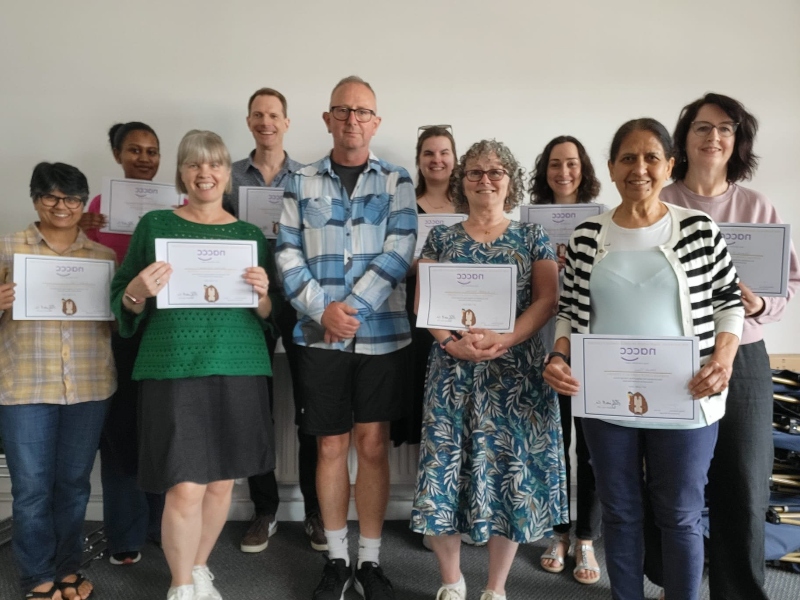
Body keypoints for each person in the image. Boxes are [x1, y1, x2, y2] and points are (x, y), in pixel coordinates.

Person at [543, 118, 745, 600]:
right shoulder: (588, 236)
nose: (640, 168)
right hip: (606, 398)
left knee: (679, 513)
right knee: (619, 511)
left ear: (670, 165)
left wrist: (724, 359)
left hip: (688, 395)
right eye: (628, 158)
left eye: (652, 157)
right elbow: (569, 312)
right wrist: (557, 356)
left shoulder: (698, 229)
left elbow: (728, 303)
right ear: (611, 168)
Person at [111, 130, 279, 600]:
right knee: (185, 486)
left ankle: (201, 567)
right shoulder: (155, 225)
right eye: (193, 165)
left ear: (228, 174)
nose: (204, 174)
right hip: (174, 365)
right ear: (181, 172)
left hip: (239, 363)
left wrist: (264, 296)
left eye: (214, 165)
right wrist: (136, 292)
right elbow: (123, 296)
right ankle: (180, 584)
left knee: (223, 482)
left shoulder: (248, 235)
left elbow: (266, 317)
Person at [276, 75, 417, 600]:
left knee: (373, 445)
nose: (352, 119)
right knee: (330, 446)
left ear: (375, 122)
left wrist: (349, 310)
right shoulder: (299, 180)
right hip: (318, 339)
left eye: (362, 112)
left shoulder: (397, 180)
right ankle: (337, 559)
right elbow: (286, 252)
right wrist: (321, 310)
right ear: (327, 119)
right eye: (342, 110)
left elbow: (400, 249)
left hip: (382, 337)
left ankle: (371, 562)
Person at [410, 139, 567, 600]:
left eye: (496, 172)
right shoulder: (440, 236)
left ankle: (496, 588)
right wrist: (450, 343)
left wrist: (507, 338)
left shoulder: (532, 236)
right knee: (444, 474)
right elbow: (425, 301)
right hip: (452, 373)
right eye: (475, 172)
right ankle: (452, 581)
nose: (485, 180)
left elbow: (547, 300)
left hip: (515, 375)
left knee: (510, 477)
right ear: (462, 181)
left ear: (510, 182)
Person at [659, 93, 800, 600]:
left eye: (726, 128)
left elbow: (788, 284)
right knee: (674, 481)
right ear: (685, 136)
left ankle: (738, 592)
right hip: (674, 352)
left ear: (737, 140)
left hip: (745, 355)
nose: (713, 136)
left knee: (744, 478)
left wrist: (759, 305)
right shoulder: (661, 200)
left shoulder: (756, 206)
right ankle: (675, 585)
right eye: (702, 127)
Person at [0, 162, 116, 600]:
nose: (61, 206)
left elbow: (117, 322)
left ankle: (67, 569)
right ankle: (37, 578)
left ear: (83, 204)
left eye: (71, 198)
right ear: (34, 199)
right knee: (30, 490)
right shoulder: (8, 247)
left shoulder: (103, 258)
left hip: (88, 385)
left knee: (73, 485)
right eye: (50, 196)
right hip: (25, 387)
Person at [223, 87, 326, 555]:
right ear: (249, 122)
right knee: (254, 406)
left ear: (287, 122)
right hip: (246, 303)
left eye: (274, 115)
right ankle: (264, 510)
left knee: (311, 407)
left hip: (299, 299)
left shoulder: (307, 178)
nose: (266, 122)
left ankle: (316, 515)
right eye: (258, 115)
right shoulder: (228, 179)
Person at [81, 122, 165, 566]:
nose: (145, 159)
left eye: (152, 151)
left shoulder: (179, 205)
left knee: (162, 431)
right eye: (135, 150)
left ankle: (161, 526)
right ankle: (125, 534)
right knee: (120, 436)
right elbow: (79, 267)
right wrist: (82, 228)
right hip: (117, 334)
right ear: (118, 155)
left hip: (165, 337)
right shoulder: (94, 209)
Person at [528, 136, 603, 584]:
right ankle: (558, 533)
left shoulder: (603, 224)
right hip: (543, 345)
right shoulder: (530, 224)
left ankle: (587, 538)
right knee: (554, 445)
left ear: (584, 168)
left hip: (589, 346)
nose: (563, 172)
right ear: (545, 170)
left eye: (571, 163)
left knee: (590, 448)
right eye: (555, 164)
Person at [392, 124, 457, 448]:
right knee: (425, 402)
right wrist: (419, 265)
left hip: (463, 314)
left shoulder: (468, 208)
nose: (437, 159)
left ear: (454, 159)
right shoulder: (404, 210)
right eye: (429, 153)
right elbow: (390, 263)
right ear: (419, 160)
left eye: (444, 152)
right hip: (418, 315)